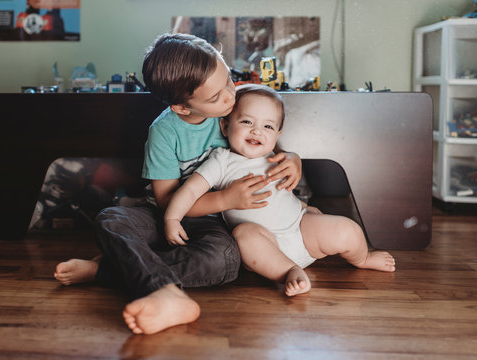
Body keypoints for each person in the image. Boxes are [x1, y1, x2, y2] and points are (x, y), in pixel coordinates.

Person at [54, 33, 303, 335]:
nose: (229, 96)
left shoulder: (236, 102)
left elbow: (269, 126)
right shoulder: (164, 133)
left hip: (214, 225)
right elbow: (165, 203)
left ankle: (108, 270)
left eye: (228, 80)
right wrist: (225, 199)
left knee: (223, 260)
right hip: (165, 215)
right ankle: (167, 293)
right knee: (110, 219)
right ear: (183, 108)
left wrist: (291, 156)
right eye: (215, 97)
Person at [164, 84, 396, 298]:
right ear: (225, 126)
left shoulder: (278, 157)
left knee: (348, 229)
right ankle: (289, 272)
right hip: (265, 247)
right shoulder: (222, 160)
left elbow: (292, 188)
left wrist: (303, 197)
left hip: (300, 229)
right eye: (247, 122)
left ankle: (363, 257)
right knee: (244, 235)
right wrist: (173, 218)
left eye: (268, 126)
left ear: (277, 135)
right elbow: (191, 190)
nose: (257, 131)